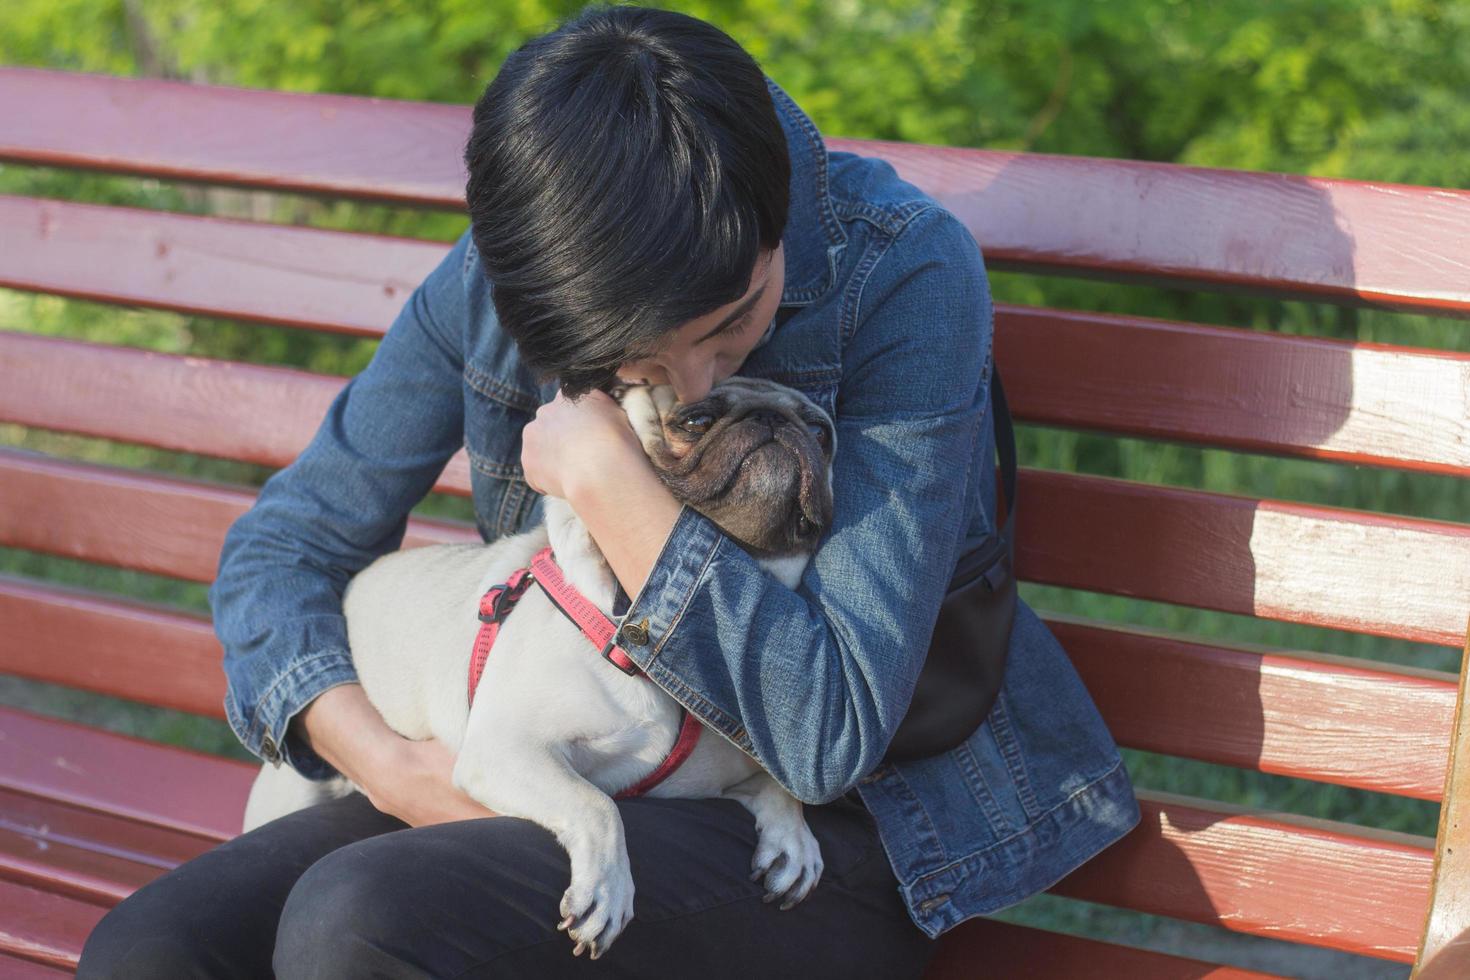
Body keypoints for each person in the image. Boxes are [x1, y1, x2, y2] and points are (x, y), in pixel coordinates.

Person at [77, 4, 1140, 977]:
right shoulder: (535, 262)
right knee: (152, 951)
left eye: (732, 323)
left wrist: (612, 478)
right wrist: (394, 766)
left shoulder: (904, 275)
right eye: (633, 365)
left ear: (778, 218)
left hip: (830, 833)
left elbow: (827, 737)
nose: (693, 381)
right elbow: (284, 547)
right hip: (561, 770)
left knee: (357, 919)